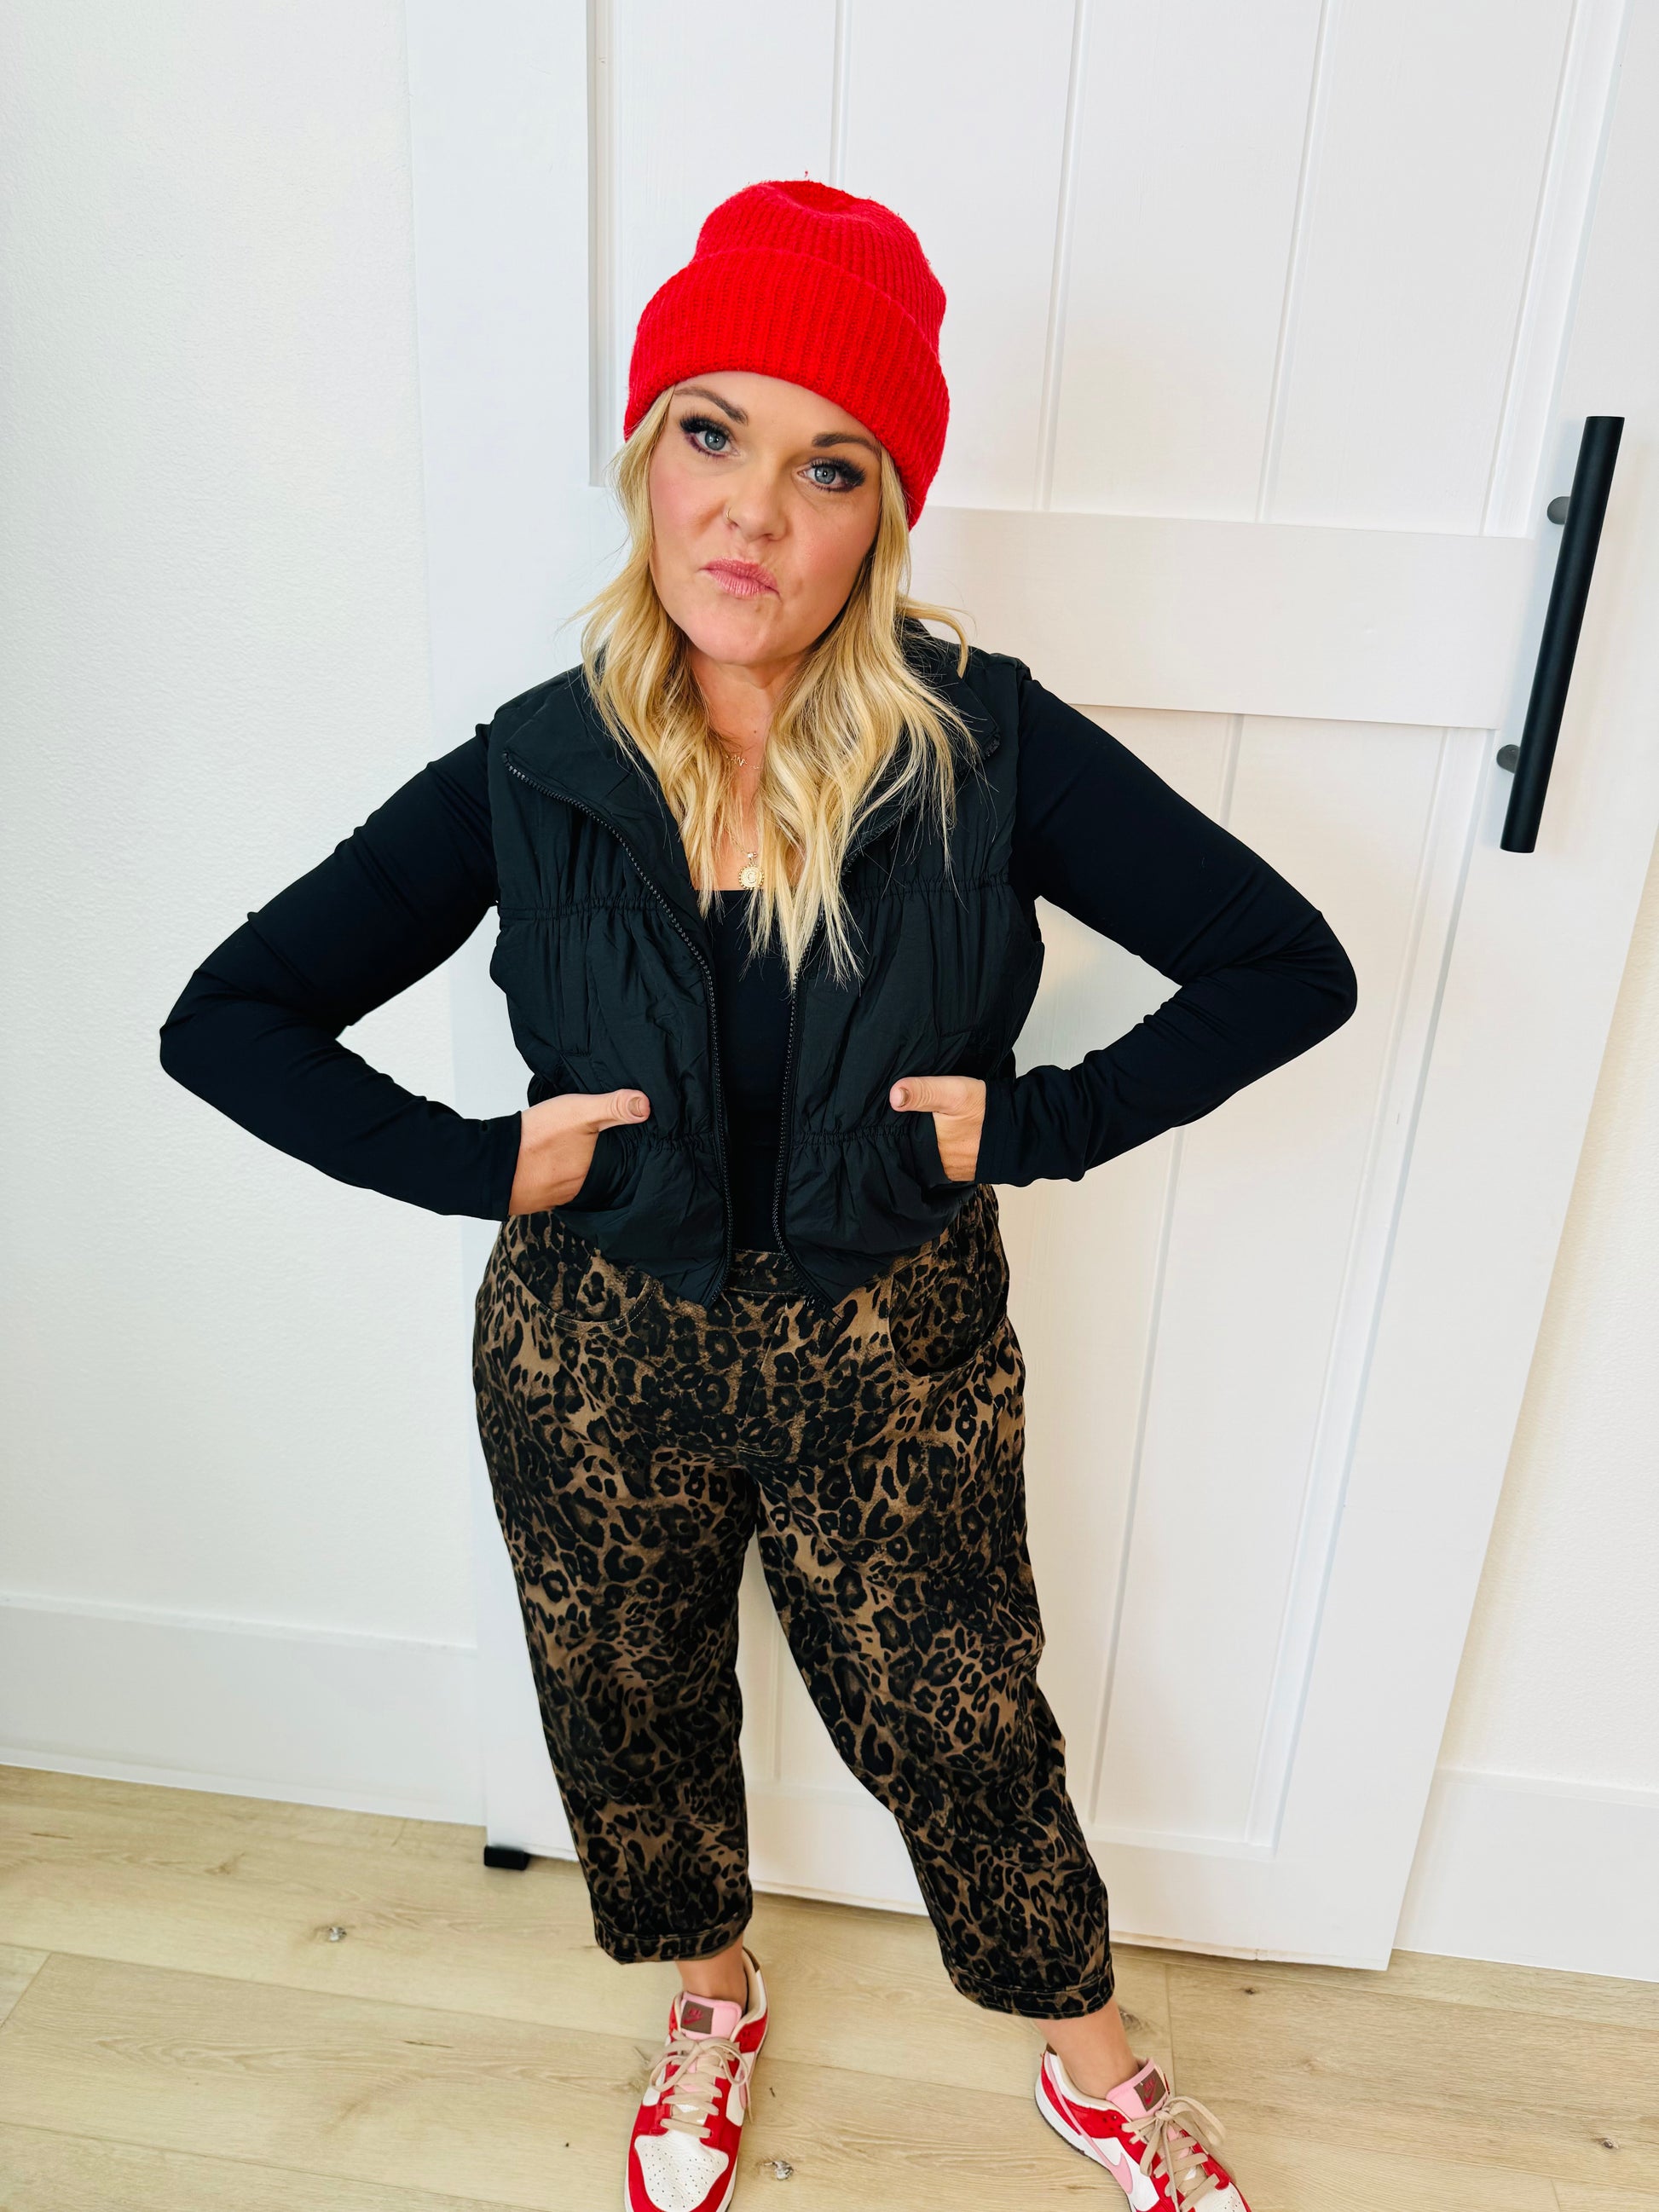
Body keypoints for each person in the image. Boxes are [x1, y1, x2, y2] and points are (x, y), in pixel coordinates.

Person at [159, 178, 1357, 2212]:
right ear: (647, 457)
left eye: (828, 464)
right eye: (710, 433)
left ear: (881, 515)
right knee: (625, 1713)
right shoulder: (533, 769)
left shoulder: (983, 748)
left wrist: (1028, 1123)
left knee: (966, 1732)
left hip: (895, 1358)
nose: (752, 513)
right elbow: (231, 1016)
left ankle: (1092, 2065)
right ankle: (709, 1996)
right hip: (592, 1356)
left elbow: (1282, 963)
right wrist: (476, 1162)